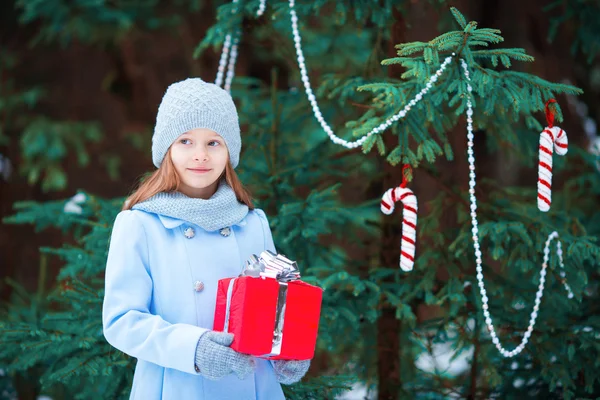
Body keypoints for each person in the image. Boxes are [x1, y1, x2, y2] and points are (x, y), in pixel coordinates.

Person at [102, 78, 311, 399]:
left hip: (253, 386)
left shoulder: (253, 222)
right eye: (185, 141)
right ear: (167, 149)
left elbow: (273, 305)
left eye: (214, 143)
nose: (200, 155)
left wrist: (287, 349)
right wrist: (193, 348)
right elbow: (121, 321)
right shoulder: (139, 225)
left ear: (230, 151)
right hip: (177, 386)